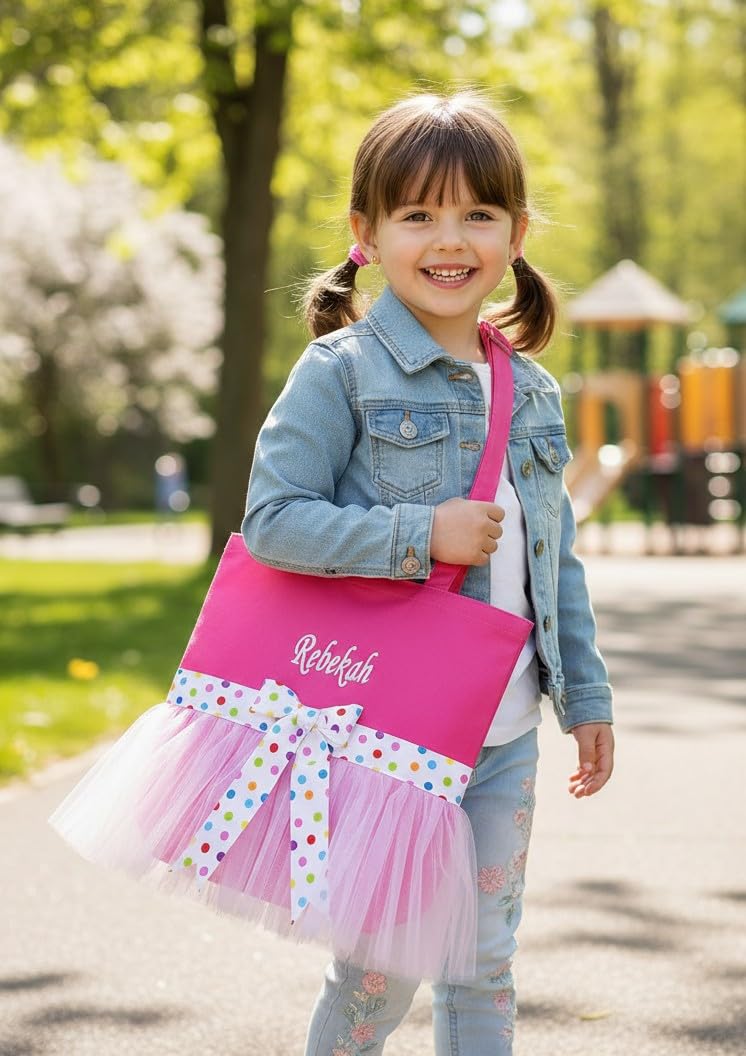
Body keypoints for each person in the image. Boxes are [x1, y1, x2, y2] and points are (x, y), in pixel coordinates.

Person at [242, 90, 615, 1056]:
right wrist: (421, 535)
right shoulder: (339, 372)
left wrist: (588, 695)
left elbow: (553, 557)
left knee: (483, 967)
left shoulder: (529, 388)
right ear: (366, 232)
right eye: (418, 214)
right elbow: (272, 521)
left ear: (517, 232)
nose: (450, 240)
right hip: (385, 731)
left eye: (478, 214)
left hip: (503, 735)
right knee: (377, 973)